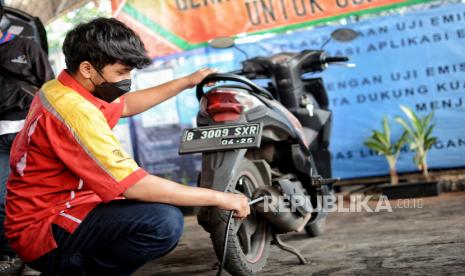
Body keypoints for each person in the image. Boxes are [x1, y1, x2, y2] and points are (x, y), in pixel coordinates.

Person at [4, 17, 250, 275]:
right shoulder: (74, 111)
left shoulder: (64, 88)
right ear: (88, 69)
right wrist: (220, 198)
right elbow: (135, 186)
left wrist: (188, 81)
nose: (127, 80)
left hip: (59, 209)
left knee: (155, 216)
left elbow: (127, 105)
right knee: (162, 223)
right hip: (45, 230)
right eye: (121, 73)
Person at [0, 3, 54, 275]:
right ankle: (10, 253)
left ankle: (42, 256)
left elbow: (50, 86)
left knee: (37, 193)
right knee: (1, 198)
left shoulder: (25, 47)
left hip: (28, 130)